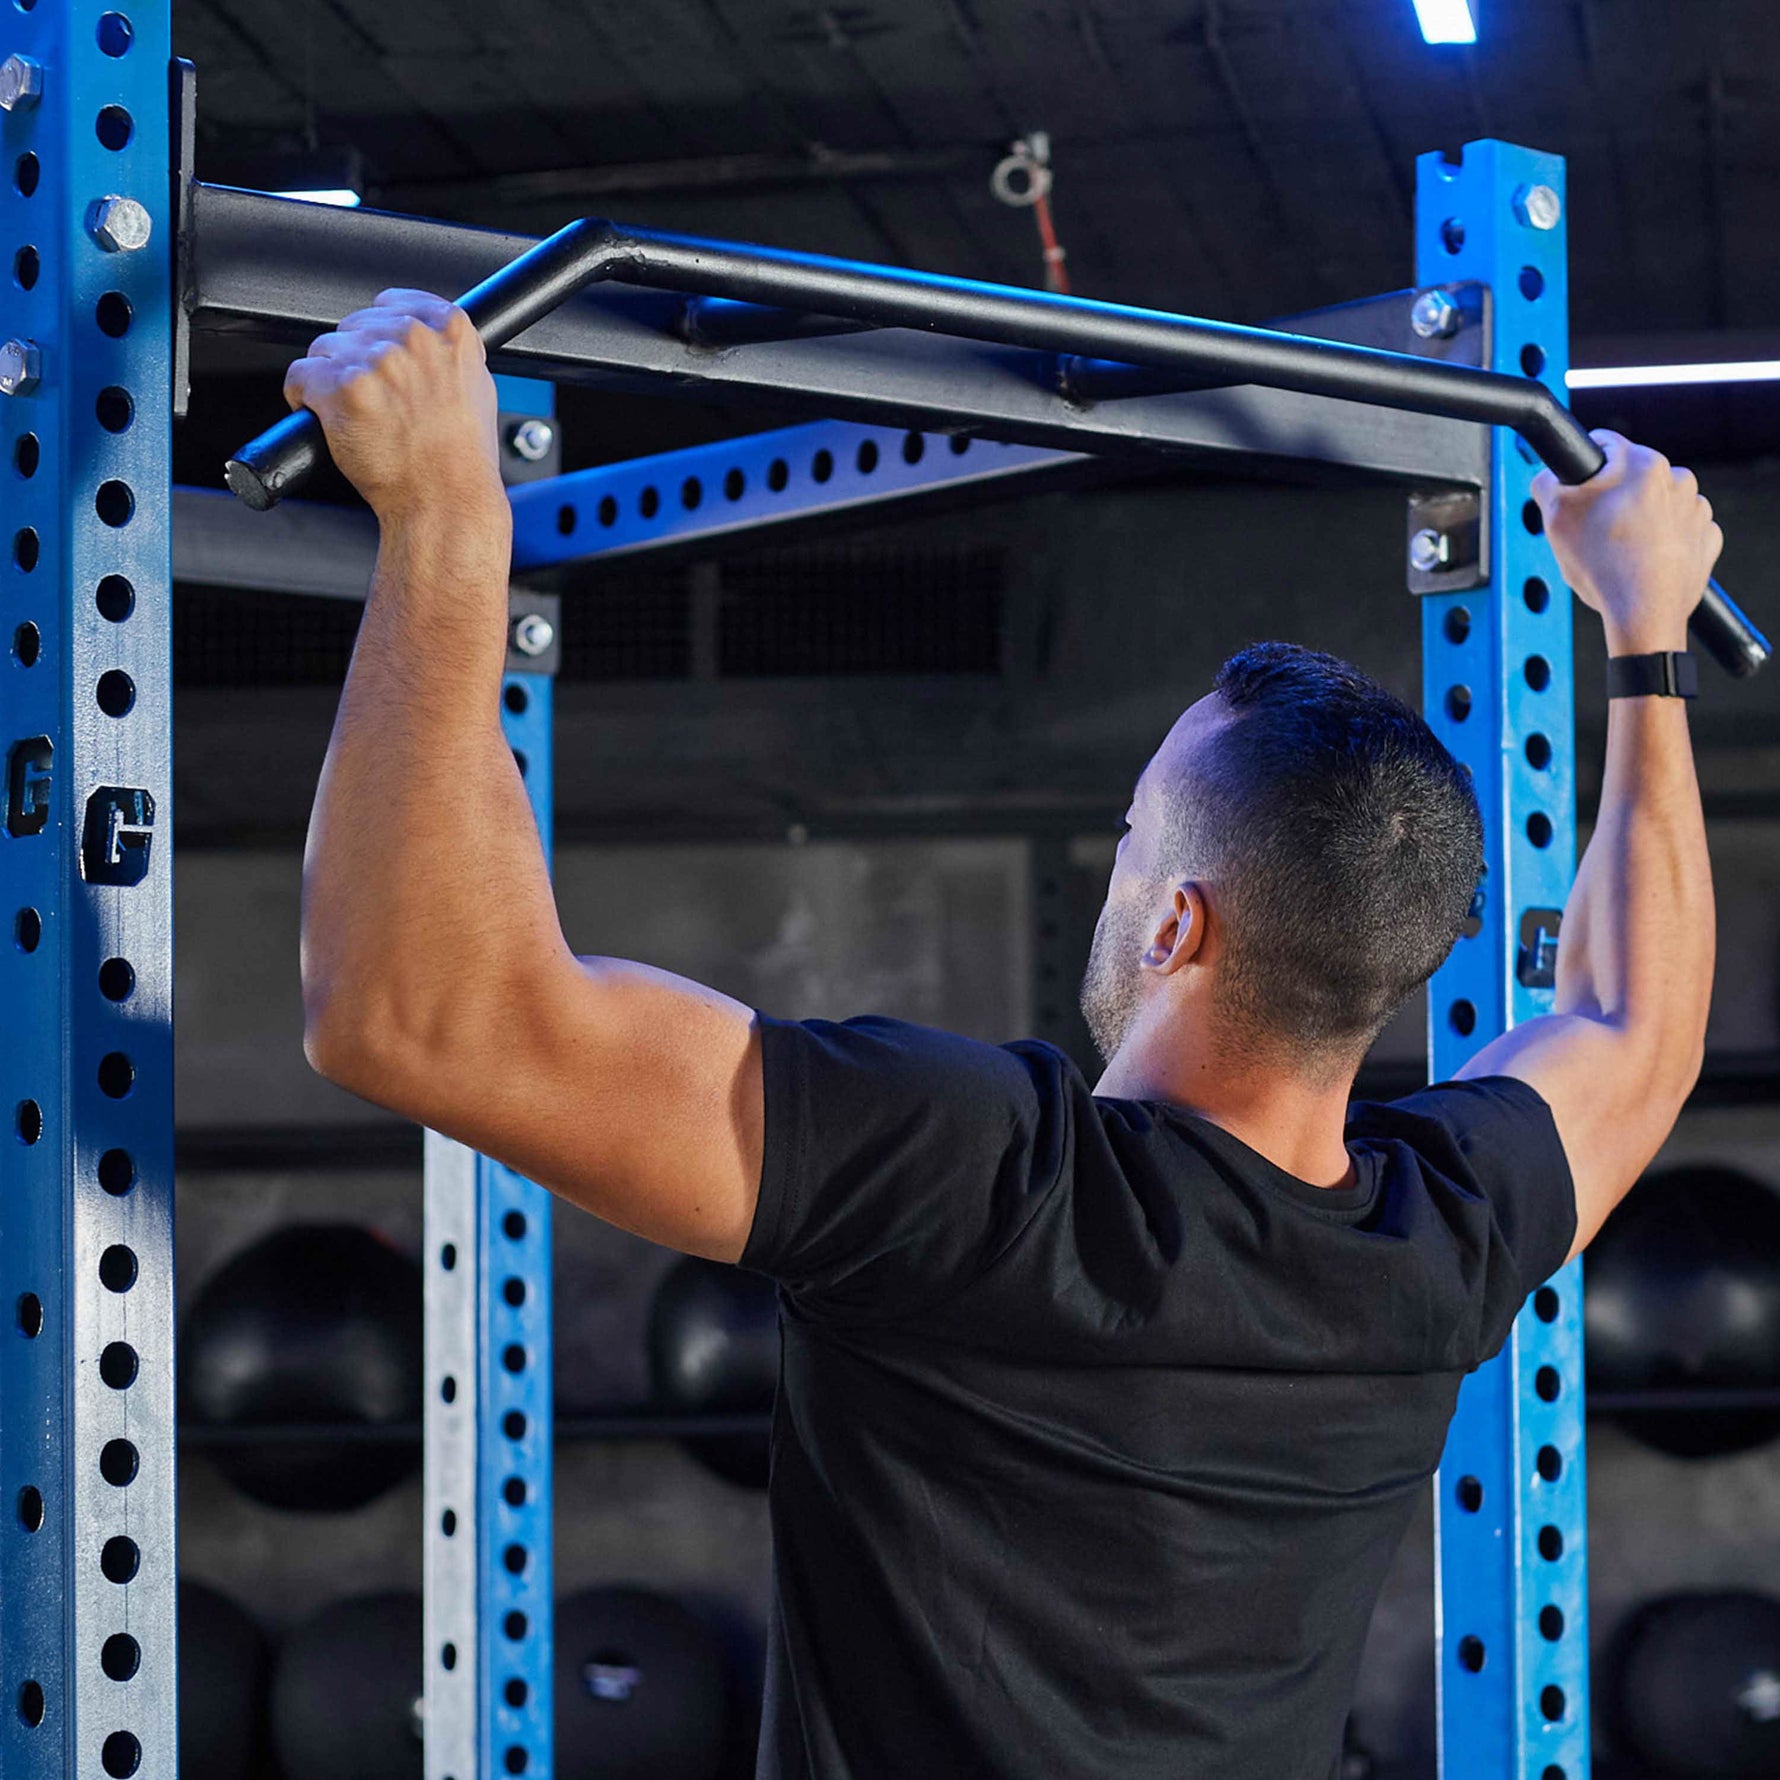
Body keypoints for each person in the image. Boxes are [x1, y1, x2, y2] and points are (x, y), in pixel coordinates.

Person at [293, 292, 1721, 1780]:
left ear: (1177, 924)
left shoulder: (980, 1180)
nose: (1115, 861)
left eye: (1129, 835)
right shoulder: (1438, 1244)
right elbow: (1637, 1025)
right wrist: (1647, 631)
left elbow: (417, 1015)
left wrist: (446, 515)